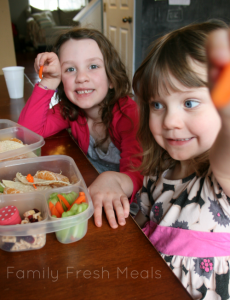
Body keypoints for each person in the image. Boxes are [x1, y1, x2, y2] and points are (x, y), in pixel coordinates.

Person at [133, 20, 230, 299]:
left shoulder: (221, 179)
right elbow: (139, 229)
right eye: (157, 105)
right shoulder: (158, 174)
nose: (170, 121)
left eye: (189, 102)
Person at [18, 28, 143, 229]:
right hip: (92, 192)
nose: (81, 77)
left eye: (93, 66)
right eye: (70, 69)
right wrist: (48, 82)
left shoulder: (130, 117)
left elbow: (138, 173)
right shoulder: (71, 110)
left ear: (111, 78)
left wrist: (110, 179)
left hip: (132, 202)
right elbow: (28, 133)